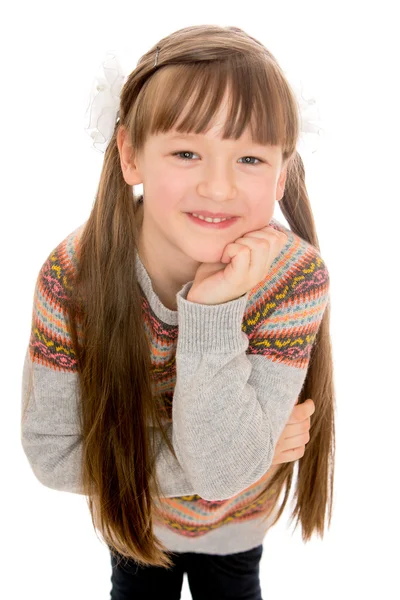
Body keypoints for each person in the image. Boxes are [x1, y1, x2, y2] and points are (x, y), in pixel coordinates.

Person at [20, 24, 335, 600]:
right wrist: (251, 452)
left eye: (248, 158)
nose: (218, 187)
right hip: (136, 523)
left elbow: (223, 476)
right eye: (187, 152)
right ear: (131, 154)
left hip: (237, 524)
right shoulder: (74, 277)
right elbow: (53, 454)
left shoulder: (294, 279)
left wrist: (213, 313)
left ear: (281, 173)